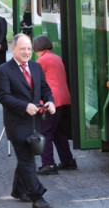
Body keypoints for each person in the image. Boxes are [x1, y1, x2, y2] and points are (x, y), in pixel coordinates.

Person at [0, 34, 56, 208]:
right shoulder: (4, 70)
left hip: (35, 122)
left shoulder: (36, 67)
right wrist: (24, 106)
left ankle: (18, 190)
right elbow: (3, 97)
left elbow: (44, 89)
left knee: (26, 158)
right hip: (16, 123)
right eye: (22, 49)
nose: (27, 52)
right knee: (27, 159)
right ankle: (38, 198)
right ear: (13, 49)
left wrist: (50, 101)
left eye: (29, 48)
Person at [32, 35, 77, 175]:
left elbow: (35, 83)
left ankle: (48, 164)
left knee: (45, 133)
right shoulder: (56, 57)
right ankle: (68, 161)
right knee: (58, 132)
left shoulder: (41, 61)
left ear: (36, 47)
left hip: (51, 101)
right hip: (63, 98)